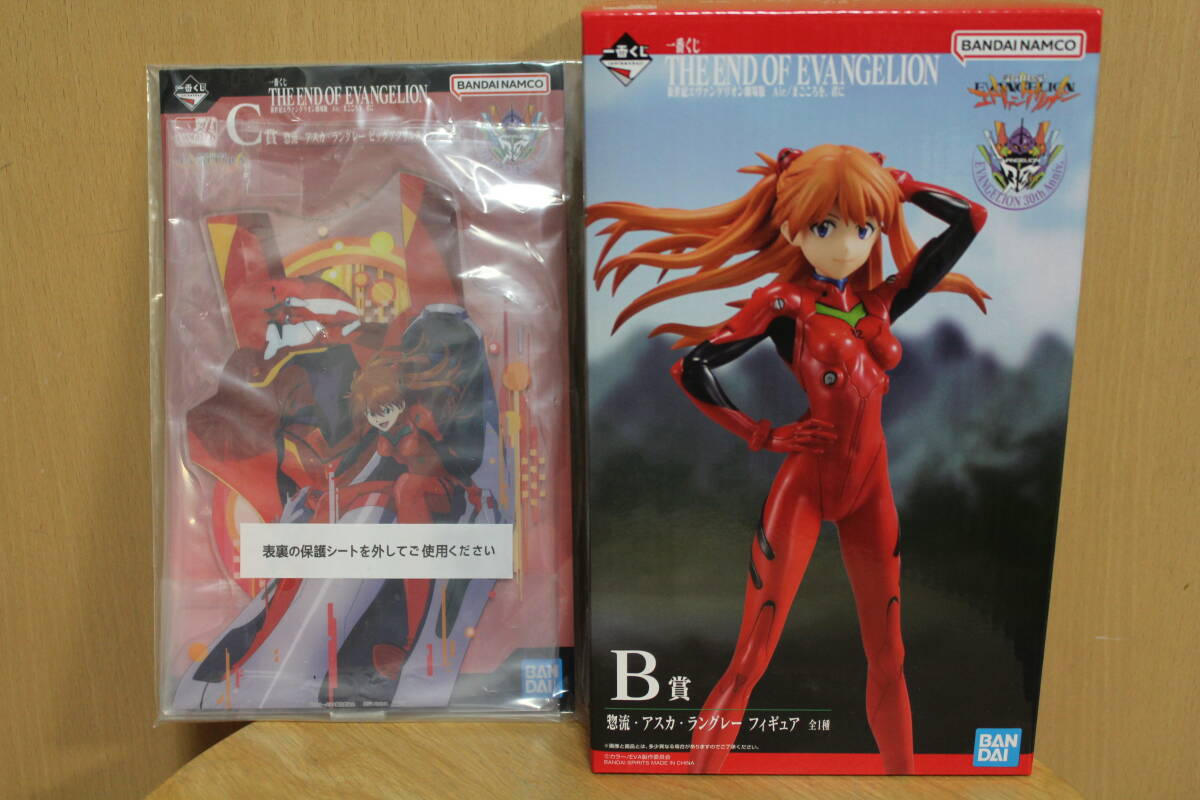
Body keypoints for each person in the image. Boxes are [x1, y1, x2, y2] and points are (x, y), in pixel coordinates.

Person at [588, 144, 987, 774]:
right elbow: (692, 367)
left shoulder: (880, 302)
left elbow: (969, 220)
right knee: (751, 657)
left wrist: (902, 186)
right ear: (795, 228)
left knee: (889, 657)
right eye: (826, 227)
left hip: (870, 490)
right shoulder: (785, 304)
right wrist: (762, 434)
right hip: (805, 484)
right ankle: (696, 779)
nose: (847, 245)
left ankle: (905, 781)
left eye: (865, 226)